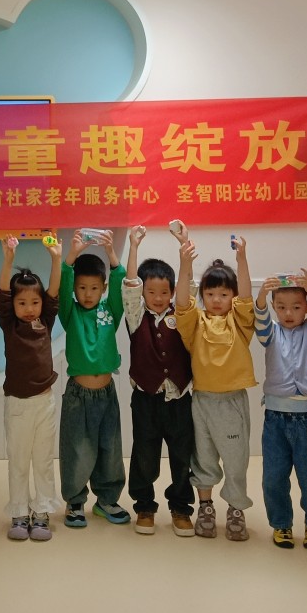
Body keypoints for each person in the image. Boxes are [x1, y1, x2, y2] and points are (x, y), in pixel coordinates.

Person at [174, 236, 256, 541]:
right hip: (202, 401)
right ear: (203, 296)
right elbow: (182, 303)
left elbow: (246, 296)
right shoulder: (195, 323)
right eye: (210, 294)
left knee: (236, 460)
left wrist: (242, 259)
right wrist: (185, 265)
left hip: (232, 402)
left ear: (232, 296)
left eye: (224, 294)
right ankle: (205, 508)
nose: (217, 299)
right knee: (203, 458)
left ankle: (236, 509)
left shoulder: (239, 322)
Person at [123, 224, 196, 537]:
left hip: (179, 399)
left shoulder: (182, 313)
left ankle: (181, 508)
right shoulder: (136, 316)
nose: (158, 298)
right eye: (151, 292)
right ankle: (144, 506)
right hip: (146, 399)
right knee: (144, 455)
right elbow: (129, 285)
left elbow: (188, 288)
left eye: (164, 292)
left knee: (182, 455)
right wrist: (133, 247)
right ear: (142, 293)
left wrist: (185, 251)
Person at [254, 268, 307, 550]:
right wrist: (262, 295)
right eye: (281, 307)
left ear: (306, 308)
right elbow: (260, 320)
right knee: (273, 477)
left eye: (297, 307)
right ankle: (281, 524)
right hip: (275, 417)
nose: (289, 313)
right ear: (274, 307)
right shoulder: (271, 333)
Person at [57, 229, 129, 529]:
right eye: (82, 288)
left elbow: (121, 284)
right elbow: (62, 287)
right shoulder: (70, 313)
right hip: (78, 396)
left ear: (103, 288)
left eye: (94, 288)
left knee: (110, 449)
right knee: (76, 449)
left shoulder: (110, 310)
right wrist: (71, 255)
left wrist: (111, 253)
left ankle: (107, 499)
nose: (88, 293)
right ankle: (75, 502)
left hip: (107, 394)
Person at [0, 233, 63, 541]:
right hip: (17, 404)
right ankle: (20, 513)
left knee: (43, 459)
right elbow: (2, 294)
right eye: (22, 303)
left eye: (34, 302)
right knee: (19, 460)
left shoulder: (45, 321)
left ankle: (42, 512)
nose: (29, 308)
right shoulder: (9, 323)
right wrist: (8, 260)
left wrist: (56, 259)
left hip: (44, 402)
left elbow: (53, 292)